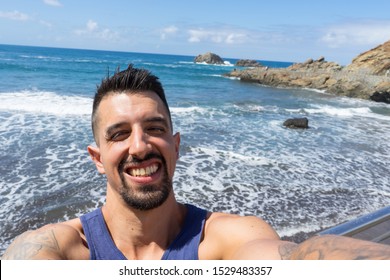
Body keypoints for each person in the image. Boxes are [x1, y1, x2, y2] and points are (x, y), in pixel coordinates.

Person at [2, 65, 390, 260]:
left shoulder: (221, 240)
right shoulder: (66, 248)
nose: (139, 147)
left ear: (176, 145)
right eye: (119, 134)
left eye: (154, 128)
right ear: (97, 158)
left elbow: (295, 257)